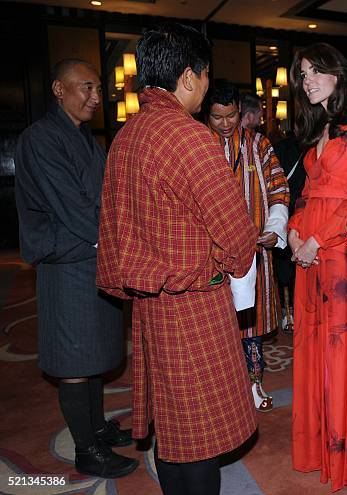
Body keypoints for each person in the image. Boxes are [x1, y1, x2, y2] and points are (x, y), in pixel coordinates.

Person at [96, 24, 258, 494]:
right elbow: (238, 241)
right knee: (201, 437)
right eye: (206, 77)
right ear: (189, 76)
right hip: (193, 307)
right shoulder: (191, 139)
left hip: (149, 307)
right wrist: (217, 257)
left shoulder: (125, 138)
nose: (207, 89)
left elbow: (113, 233)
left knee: (172, 432)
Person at [14, 59, 137, 478]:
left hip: (94, 255)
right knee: (74, 358)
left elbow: (107, 194)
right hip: (67, 260)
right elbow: (73, 207)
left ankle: (97, 428)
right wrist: (116, 242)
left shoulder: (83, 137)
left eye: (98, 89)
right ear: (57, 89)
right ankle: (87, 450)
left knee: (97, 350)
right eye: (86, 87)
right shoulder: (40, 139)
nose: (96, 98)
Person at [288, 43, 347, 491]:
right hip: (306, 256)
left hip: (340, 258)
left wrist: (316, 239)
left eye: (315, 72)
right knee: (311, 356)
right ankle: (316, 449)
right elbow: (307, 193)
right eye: (303, 74)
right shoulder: (320, 129)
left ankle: (343, 460)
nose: (307, 80)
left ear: (338, 75)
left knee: (340, 357)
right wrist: (291, 228)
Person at [205, 79, 290, 412]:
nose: (226, 124)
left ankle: (255, 384)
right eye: (217, 118)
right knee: (215, 328)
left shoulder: (259, 145)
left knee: (250, 325)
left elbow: (280, 189)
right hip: (211, 258)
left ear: (239, 111)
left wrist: (274, 227)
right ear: (206, 115)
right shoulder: (198, 146)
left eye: (231, 116)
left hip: (254, 254)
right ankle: (222, 391)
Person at [272, 131, 307, 333]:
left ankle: (288, 312)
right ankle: (292, 312)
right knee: (292, 268)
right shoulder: (308, 146)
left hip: (283, 211)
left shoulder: (280, 146)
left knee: (286, 266)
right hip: (299, 212)